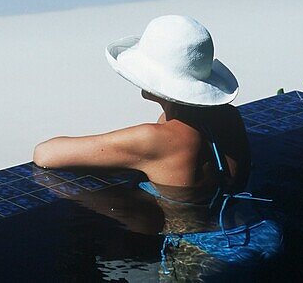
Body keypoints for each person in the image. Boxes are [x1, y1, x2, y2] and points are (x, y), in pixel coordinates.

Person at [33, 15, 283, 278]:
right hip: (260, 232)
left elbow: (45, 154)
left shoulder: (154, 140)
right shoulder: (229, 117)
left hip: (204, 258)